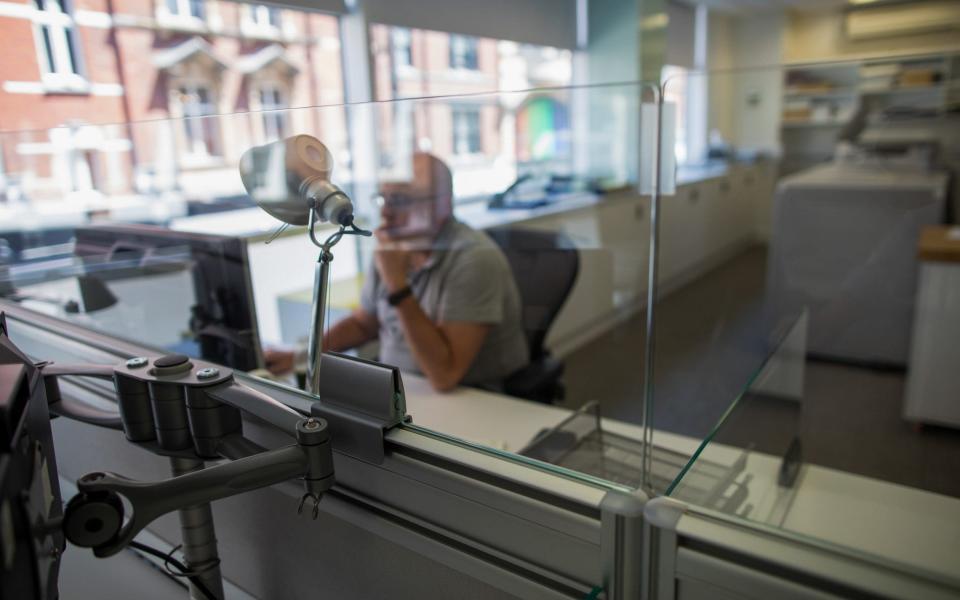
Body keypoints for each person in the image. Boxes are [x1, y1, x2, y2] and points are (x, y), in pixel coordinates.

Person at [265, 153, 529, 392]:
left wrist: (396, 284)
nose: (386, 212)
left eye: (400, 200)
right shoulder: (395, 246)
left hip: (475, 397)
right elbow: (362, 324)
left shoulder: (474, 258)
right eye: (383, 198)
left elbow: (445, 375)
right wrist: (301, 355)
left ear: (442, 205)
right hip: (402, 388)